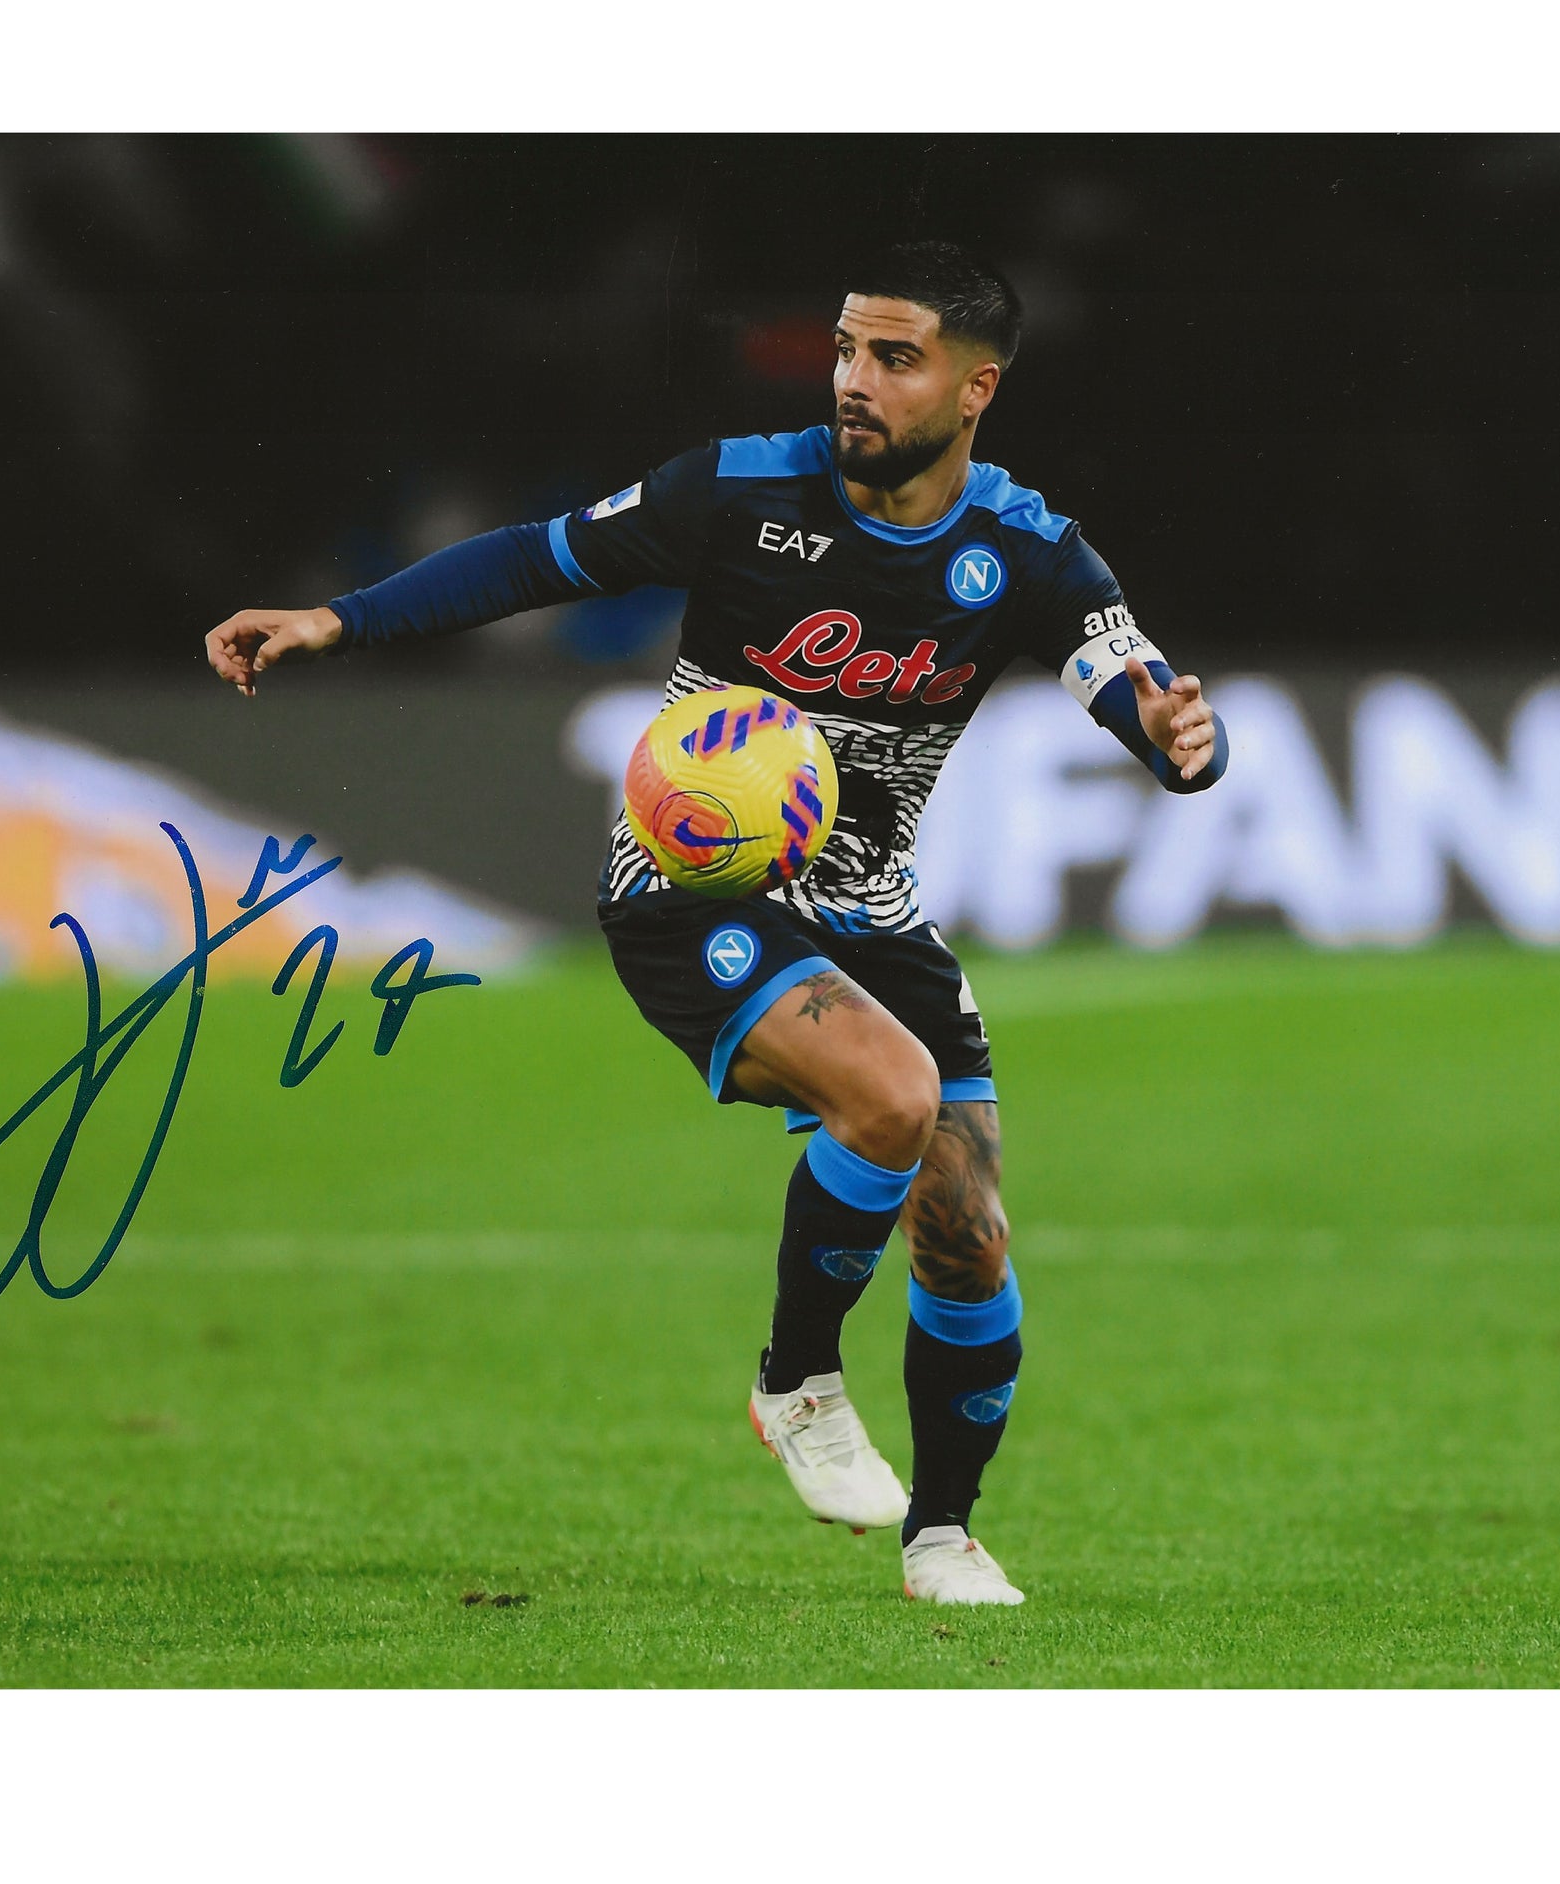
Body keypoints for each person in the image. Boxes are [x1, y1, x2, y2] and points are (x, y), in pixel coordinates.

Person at [204, 241, 1226, 1606]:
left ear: (976, 388)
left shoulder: (1030, 551)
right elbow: (536, 559)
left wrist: (1179, 742)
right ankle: (797, 1379)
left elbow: (1138, 691)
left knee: (967, 1231)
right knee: (892, 1093)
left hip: (868, 912)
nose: (854, 380)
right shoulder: (741, 488)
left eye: (896, 358)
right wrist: (339, 621)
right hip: (689, 893)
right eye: (848, 349)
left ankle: (941, 1536)